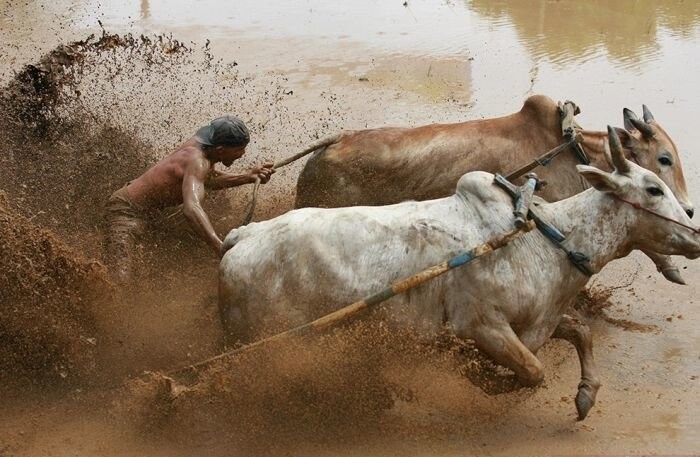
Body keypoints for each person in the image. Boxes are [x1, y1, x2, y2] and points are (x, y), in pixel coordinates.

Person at [105, 115, 274, 281]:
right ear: (221, 150)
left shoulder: (205, 142)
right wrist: (219, 247)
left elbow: (206, 179)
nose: (243, 154)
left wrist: (248, 177)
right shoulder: (197, 161)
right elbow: (192, 209)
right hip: (126, 211)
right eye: (238, 150)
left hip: (150, 210)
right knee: (120, 277)